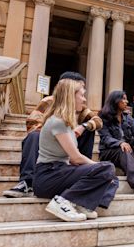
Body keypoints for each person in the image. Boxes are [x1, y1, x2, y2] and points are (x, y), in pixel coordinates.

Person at [2, 71, 102, 198]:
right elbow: (32, 123)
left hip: (72, 150)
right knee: (33, 136)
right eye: (80, 88)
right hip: (51, 148)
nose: (83, 93)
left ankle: (83, 170)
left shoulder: (81, 107)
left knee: (89, 129)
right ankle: (27, 181)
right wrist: (57, 134)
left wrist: (83, 127)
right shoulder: (48, 102)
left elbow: (98, 121)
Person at [33, 79, 118, 222]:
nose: (84, 100)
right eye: (82, 95)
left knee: (112, 177)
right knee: (107, 169)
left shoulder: (66, 122)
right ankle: (63, 201)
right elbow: (76, 158)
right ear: (70, 96)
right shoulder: (58, 122)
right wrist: (99, 168)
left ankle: (81, 202)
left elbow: (73, 159)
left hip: (59, 172)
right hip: (48, 176)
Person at [98, 90, 134, 194]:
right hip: (110, 152)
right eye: (124, 99)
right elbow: (105, 138)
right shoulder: (103, 117)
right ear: (115, 101)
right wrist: (120, 143)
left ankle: (130, 165)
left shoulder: (128, 117)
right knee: (123, 147)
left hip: (126, 151)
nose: (126, 101)